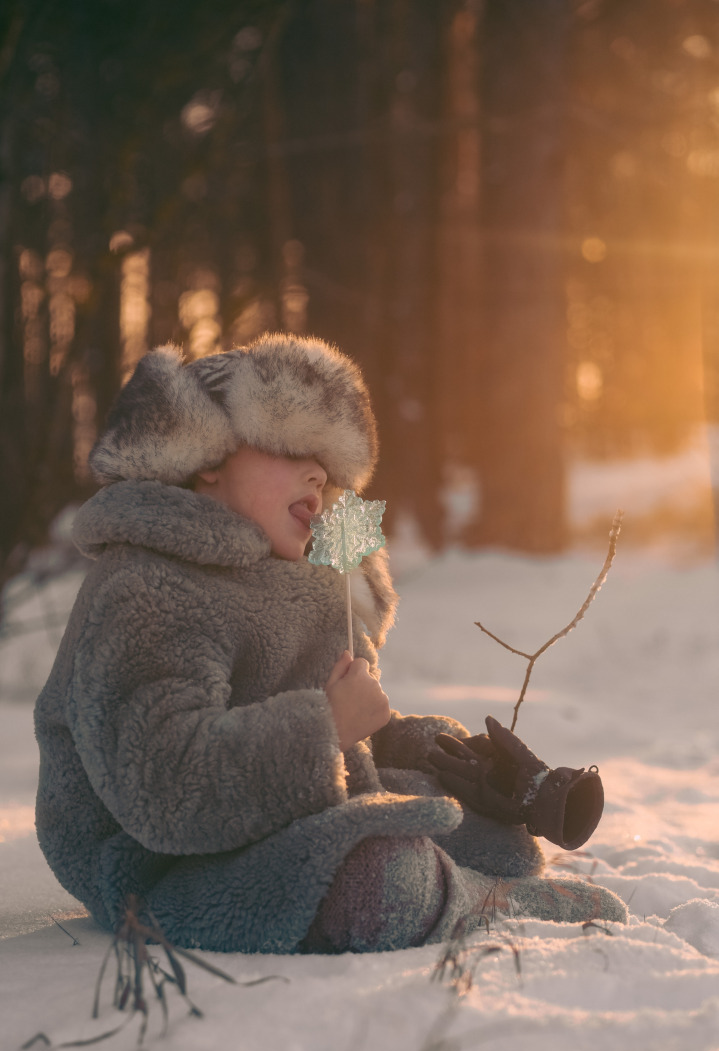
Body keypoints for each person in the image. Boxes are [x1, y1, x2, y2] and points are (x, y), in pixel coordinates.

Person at [34, 333, 627, 955]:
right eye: (295, 449)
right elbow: (165, 783)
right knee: (376, 873)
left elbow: (353, 736)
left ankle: (463, 878)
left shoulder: (307, 591)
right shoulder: (148, 585)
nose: (318, 473)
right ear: (208, 456)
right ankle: (476, 902)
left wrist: (451, 760)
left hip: (282, 822)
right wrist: (324, 727)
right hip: (164, 869)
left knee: (494, 840)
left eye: (328, 465)